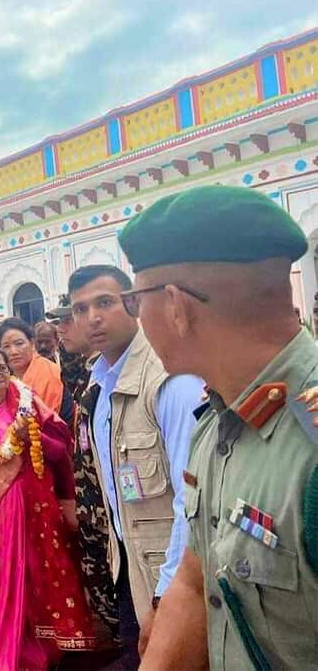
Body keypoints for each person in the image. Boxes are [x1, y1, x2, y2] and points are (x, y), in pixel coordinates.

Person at [110, 186, 318, 669]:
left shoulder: (308, 451)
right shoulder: (219, 420)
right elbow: (196, 578)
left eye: (135, 301)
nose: (138, 319)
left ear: (176, 307)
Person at [68, 263, 203, 668]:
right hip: (129, 568)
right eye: (80, 309)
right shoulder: (99, 385)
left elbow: (192, 500)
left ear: (132, 303)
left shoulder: (170, 380)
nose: (92, 317)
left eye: (104, 303)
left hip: (174, 578)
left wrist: (166, 594)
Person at [0, 347, 95, 668]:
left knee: (37, 574)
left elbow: (60, 449)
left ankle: (42, 652)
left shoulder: (30, 403)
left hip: (32, 509)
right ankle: (8, 646)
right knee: (0, 581)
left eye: (2, 368)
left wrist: (33, 435)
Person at [45, 300, 118, 640]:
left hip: (111, 504)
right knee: (100, 579)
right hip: (90, 499)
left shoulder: (111, 373)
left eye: (68, 320)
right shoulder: (81, 371)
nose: (61, 329)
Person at [0, 317, 66, 416]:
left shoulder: (49, 372)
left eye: (19, 344)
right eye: (6, 346)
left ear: (32, 344)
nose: (13, 351)